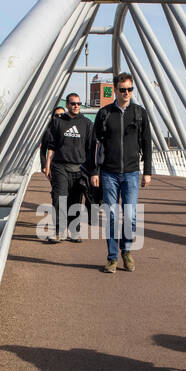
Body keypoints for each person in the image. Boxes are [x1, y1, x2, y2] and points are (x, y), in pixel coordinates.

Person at [89, 72, 153, 273]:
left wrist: (148, 171)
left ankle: (126, 250)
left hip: (132, 172)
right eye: (123, 89)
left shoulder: (140, 113)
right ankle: (112, 258)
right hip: (109, 172)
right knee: (111, 216)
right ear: (115, 90)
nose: (126, 93)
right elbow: (95, 144)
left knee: (131, 216)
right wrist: (94, 171)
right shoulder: (104, 114)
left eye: (130, 89)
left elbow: (147, 143)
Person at [40, 94, 93, 242]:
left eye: (78, 103)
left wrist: (92, 171)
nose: (76, 106)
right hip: (60, 166)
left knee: (75, 201)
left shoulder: (87, 124)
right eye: (73, 103)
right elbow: (51, 147)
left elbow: (90, 148)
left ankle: (74, 232)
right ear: (68, 105)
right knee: (59, 198)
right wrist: (47, 166)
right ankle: (58, 232)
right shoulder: (58, 122)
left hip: (79, 168)